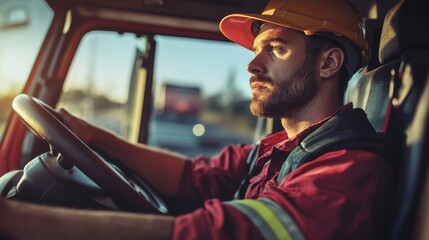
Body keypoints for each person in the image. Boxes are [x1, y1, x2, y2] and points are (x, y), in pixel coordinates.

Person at [0, 0, 392, 239]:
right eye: (257, 50)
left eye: (276, 48)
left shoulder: (349, 168)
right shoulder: (278, 149)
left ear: (328, 63)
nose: (252, 65)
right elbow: (193, 177)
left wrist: (14, 219)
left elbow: (222, 235)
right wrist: (93, 137)